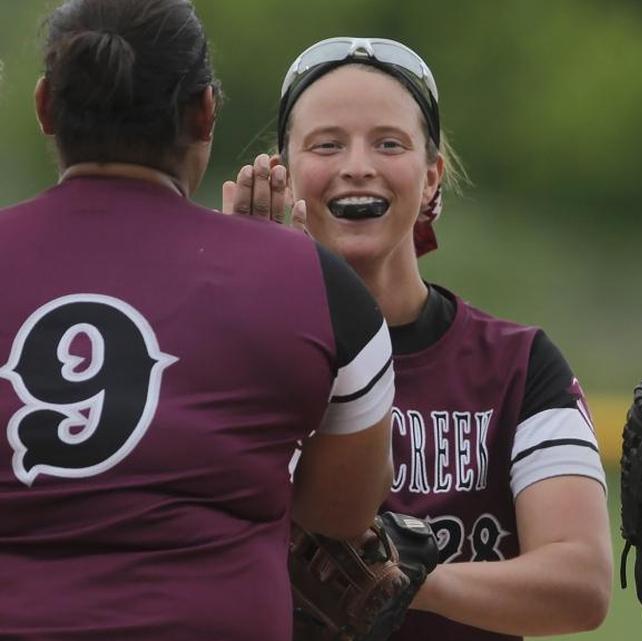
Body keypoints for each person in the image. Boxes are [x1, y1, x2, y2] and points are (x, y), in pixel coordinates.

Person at [0, 2, 395, 640]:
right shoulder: (313, 285)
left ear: (46, 105)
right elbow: (339, 513)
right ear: (205, 110)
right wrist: (269, 268)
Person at [223, 37, 612, 640]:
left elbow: (581, 585)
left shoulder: (518, 363)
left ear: (432, 178)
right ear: (285, 171)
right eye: (327, 144)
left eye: (389, 143)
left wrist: (402, 582)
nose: (358, 164)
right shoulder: (231, 353)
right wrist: (243, 308)